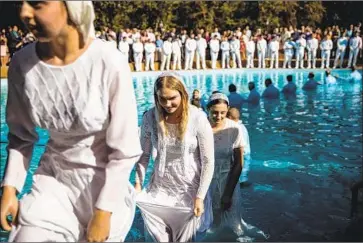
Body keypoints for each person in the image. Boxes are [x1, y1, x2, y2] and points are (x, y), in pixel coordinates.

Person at [0, 1, 142, 242]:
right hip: (52, 183)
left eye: (37, 3)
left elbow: (125, 151)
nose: (24, 12)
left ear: (70, 6)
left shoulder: (108, 61)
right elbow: (21, 136)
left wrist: (103, 211)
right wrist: (10, 188)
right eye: (22, 3)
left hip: (104, 187)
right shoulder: (22, 64)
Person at [134, 72, 215, 242]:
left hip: (189, 190)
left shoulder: (198, 118)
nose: (167, 104)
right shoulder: (150, 117)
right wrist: (138, 184)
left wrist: (200, 197)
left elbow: (208, 161)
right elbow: (144, 154)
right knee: (159, 238)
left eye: (172, 98)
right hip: (160, 187)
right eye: (161, 99)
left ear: (183, 94)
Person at [203, 93, 268, 241]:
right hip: (206, 184)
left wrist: (228, 193)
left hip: (229, 181)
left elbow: (239, 163)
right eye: (214, 112)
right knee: (210, 223)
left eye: (223, 113)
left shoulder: (234, 128)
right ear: (207, 109)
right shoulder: (200, 128)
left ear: (228, 110)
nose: (218, 116)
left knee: (233, 222)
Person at [226, 108, 252, 187]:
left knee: (240, 175)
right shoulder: (242, 127)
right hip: (247, 155)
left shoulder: (236, 128)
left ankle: (242, 183)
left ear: (229, 118)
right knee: (243, 172)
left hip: (242, 155)